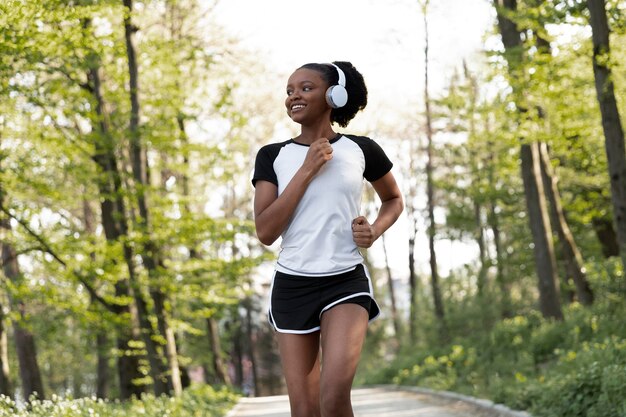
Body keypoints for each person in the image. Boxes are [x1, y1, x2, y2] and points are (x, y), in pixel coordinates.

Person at [252, 61, 403, 417]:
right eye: (289, 91)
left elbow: (394, 199)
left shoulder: (362, 150)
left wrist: (375, 229)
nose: (294, 97)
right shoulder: (272, 156)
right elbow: (266, 231)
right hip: (292, 285)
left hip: (345, 279)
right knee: (304, 411)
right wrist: (307, 170)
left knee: (333, 399)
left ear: (334, 95)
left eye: (306, 88)